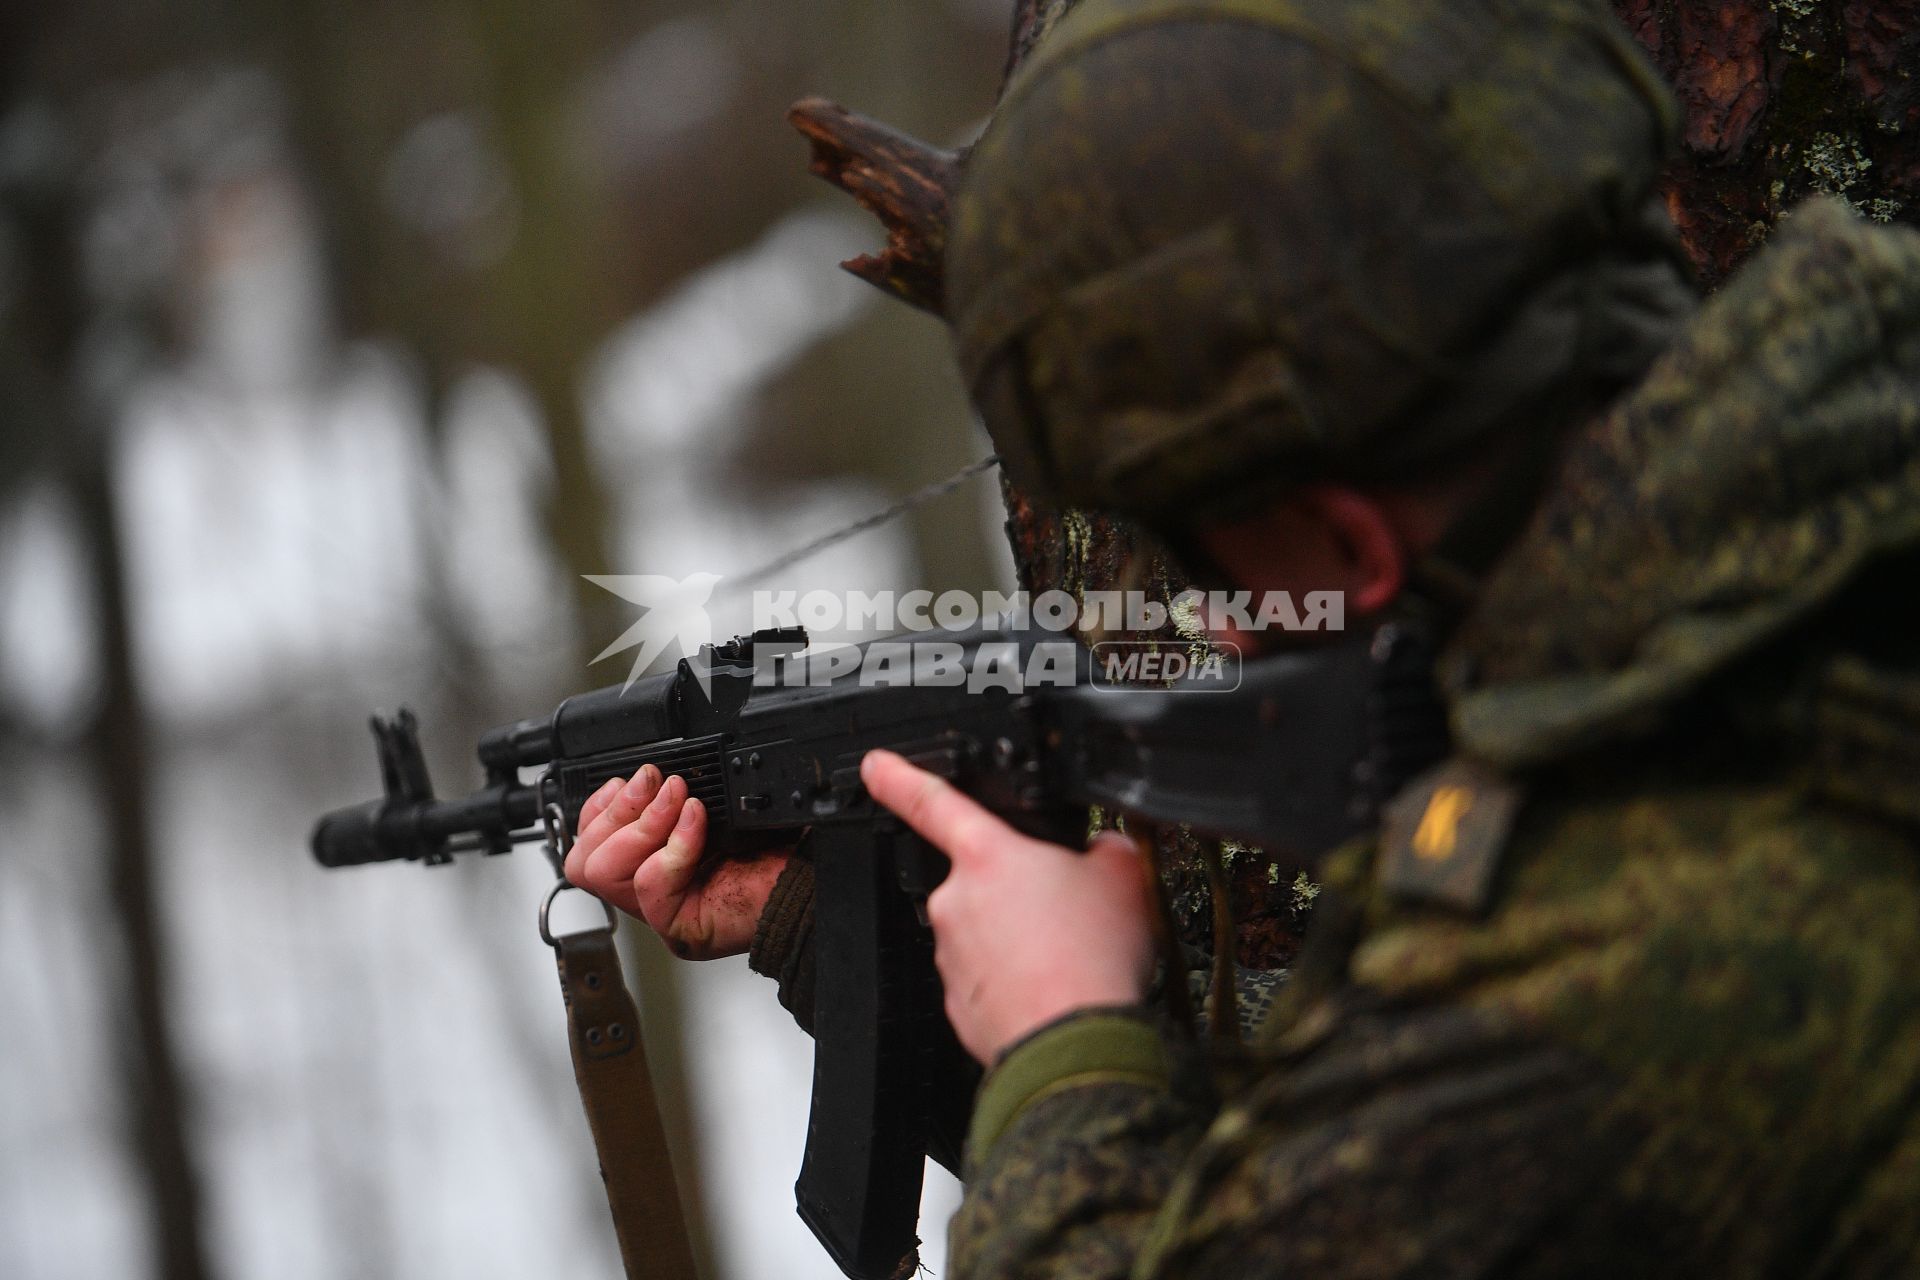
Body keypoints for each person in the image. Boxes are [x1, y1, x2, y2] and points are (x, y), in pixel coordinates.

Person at [567, 0, 1920, 1273]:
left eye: (1198, 544)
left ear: (1346, 546)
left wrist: (1063, 1042)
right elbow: (1328, 1201)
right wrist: (820, 919)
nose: (1215, 620)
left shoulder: (1609, 946)